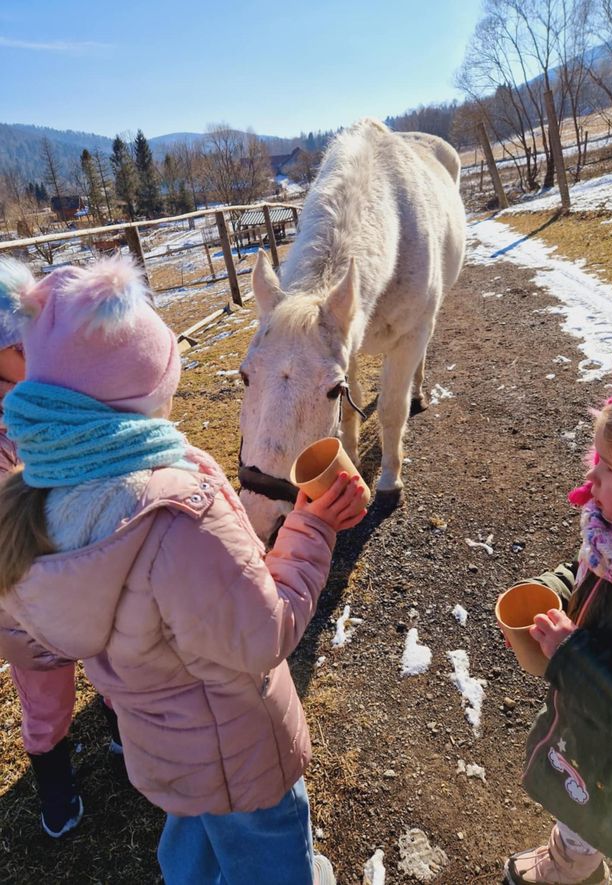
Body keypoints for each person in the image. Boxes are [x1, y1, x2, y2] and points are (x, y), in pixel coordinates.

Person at [0, 254, 366, 884]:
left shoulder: (35, 502)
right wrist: (313, 528)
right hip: (242, 754)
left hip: (162, 749)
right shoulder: (177, 514)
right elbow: (264, 633)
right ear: (144, 386)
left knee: (190, 842)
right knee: (271, 858)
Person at [503, 335, 612, 885]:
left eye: (610, 472)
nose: (589, 479)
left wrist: (572, 659)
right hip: (591, 740)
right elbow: (589, 576)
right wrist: (553, 586)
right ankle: (571, 861)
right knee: (577, 790)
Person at [0, 265, 124, 839]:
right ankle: (54, 782)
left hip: (82, 575)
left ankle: (122, 721)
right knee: (46, 696)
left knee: (109, 657)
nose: (39, 352)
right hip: (23, 605)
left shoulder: (55, 393)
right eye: (23, 344)